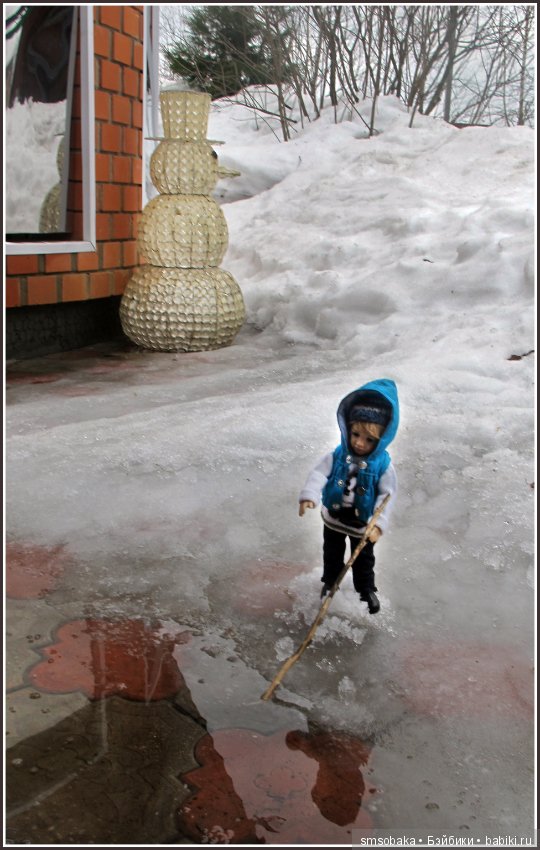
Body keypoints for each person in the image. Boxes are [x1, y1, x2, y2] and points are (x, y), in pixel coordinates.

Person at [298, 378, 399, 614]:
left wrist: (378, 525)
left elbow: (388, 496)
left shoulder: (383, 466)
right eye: (355, 434)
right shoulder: (337, 454)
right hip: (334, 516)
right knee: (332, 553)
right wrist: (309, 495)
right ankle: (330, 583)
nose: (360, 443)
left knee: (363, 559)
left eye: (369, 439)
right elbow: (319, 473)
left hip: (362, 523)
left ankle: (366, 590)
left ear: (382, 438)